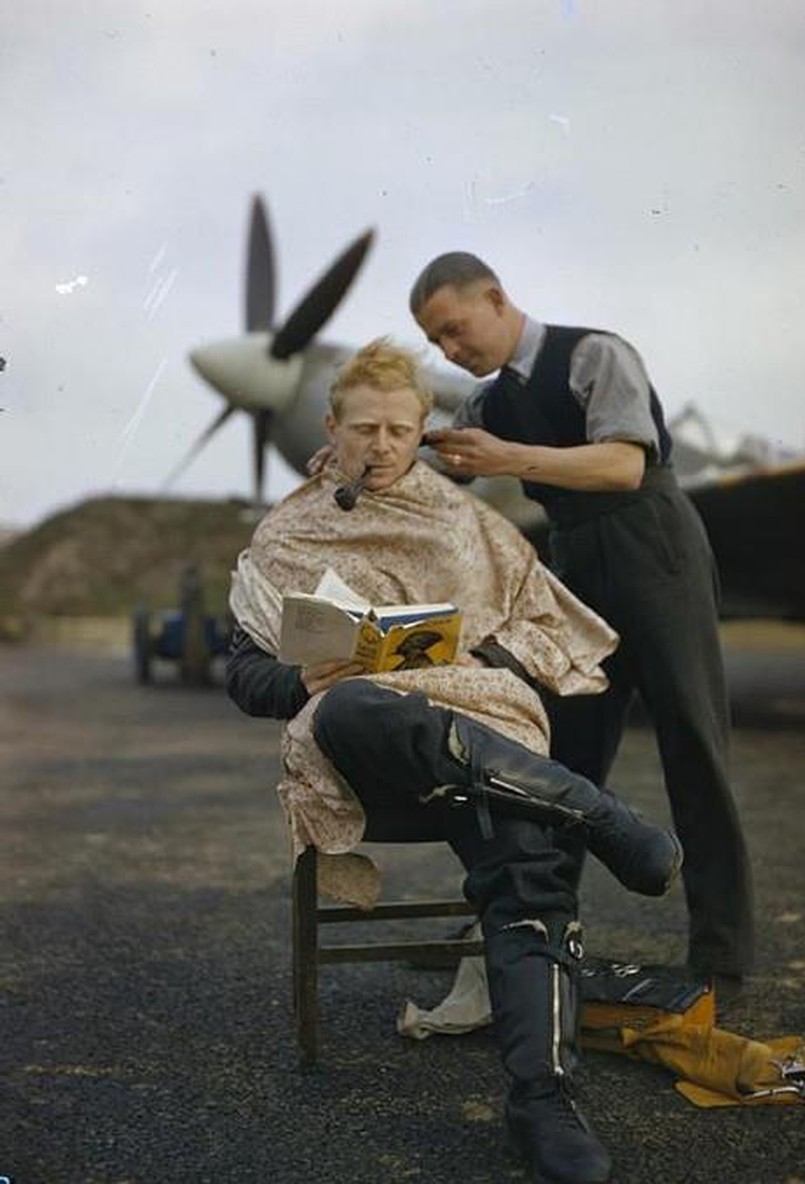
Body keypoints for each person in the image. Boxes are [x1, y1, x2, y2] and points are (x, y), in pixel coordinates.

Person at [226, 338, 683, 1184]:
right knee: (361, 703)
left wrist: (476, 662)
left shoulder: (467, 520)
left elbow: (545, 633)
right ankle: (592, 809)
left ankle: (542, 1100)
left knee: (527, 857)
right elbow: (243, 673)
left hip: (480, 736)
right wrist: (300, 677)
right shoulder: (286, 532)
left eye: (401, 429)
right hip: (360, 750)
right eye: (364, 428)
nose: (383, 445)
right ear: (331, 426)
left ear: (421, 428)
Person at [409, 254, 754, 988]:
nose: (449, 352)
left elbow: (624, 465)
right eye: (434, 343)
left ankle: (721, 956)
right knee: (557, 760)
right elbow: (440, 467)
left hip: (651, 544)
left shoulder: (594, 353)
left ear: (496, 300)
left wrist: (510, 457)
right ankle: (528, 930)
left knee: (691, 744)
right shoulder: (487, 402)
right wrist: (358, 453)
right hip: (571, 563)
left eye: (454, 330)